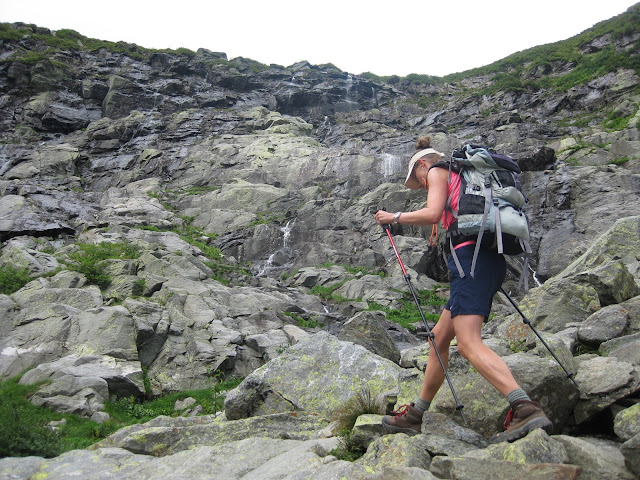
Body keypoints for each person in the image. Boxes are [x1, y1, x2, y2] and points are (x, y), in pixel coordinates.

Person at [374, 136, 552, 444]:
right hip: (482, 261)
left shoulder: (436, 170)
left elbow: (431, 213)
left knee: (468, 343)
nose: (423, 183)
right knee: (439, 338)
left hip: (471, 260)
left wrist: (395, 217)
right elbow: (440, 216)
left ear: (421, 165)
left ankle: (524, 406)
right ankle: (417, 414)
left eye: (418, 178)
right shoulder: (460, 177)